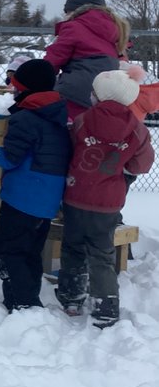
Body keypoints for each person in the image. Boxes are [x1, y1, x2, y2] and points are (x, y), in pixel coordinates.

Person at [0, 59, 72, 313]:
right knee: (29, 253)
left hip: (24, 197)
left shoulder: (26, 118)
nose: (13, 91)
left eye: (16, 87)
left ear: (28, 89)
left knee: (5, 254)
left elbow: (10, 158)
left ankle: (25, 303)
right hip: (46, 201)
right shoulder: (55, 113)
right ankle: (22, 300)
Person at [56, 69, 155, 327]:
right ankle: (106, 306)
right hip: (108, 202)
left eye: (94, 91)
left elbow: (68, 150)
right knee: (102, 253)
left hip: (76, 195)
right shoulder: (138, 130)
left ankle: (71, 297)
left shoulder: (81, 121)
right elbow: (141, 165)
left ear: (100, 96)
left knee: (72, 246)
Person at [43, 0, 129, 119]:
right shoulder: (114, 30)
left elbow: (53, 60)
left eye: (66, 11)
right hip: (105, 96)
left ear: (75, 10)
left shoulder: (74, 26)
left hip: (74, 94)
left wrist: (36, 80)